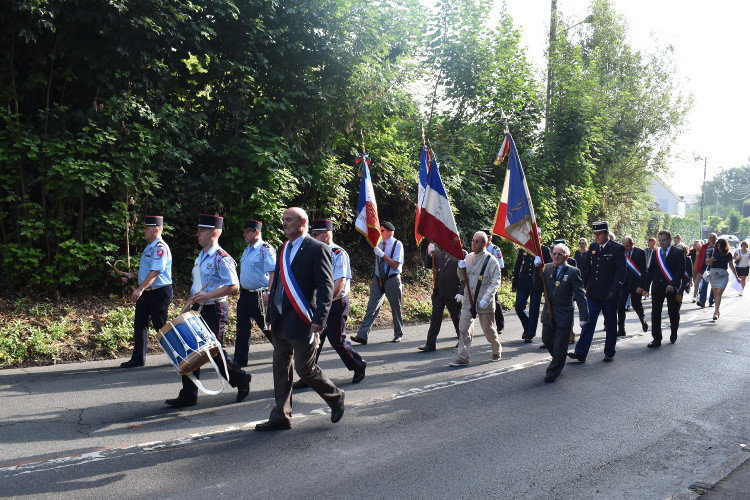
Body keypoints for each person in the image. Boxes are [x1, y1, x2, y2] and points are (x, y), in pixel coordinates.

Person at [255, 208, 345, 431]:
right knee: (280, 368)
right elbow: (278, 283)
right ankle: (281, 416)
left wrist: (320, 317)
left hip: (303, 318)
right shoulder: (283, 247)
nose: (284, 223)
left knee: (305, 369)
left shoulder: (318, 249)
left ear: (302, 222)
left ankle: (335, 397)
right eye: (283, 220)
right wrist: (270, 307)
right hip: (280, 319)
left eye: (289, 220)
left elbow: (325, 286)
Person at [165, 215, 251, 407]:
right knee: (190, 349)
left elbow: (234, 286)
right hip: (198, 307)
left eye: (201, 231)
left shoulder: (222, 257)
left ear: (213, 233)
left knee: (214, 351)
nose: (198, 234)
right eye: (198, 230)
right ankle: (188, 394)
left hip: (215, 308)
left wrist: (208, 295)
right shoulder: (202, 256)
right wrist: (187, 307)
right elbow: (197, 288)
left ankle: (241, 378)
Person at [298, 219, 366, 384]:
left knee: (337, 341)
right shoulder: (314, 251)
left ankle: (358, 365)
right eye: (312, 234)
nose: (312, 237)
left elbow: (339, 281)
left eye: (316, 234)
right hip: (318, 303)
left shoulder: (337, 253)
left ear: (326, 234)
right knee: (314, 341)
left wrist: (325, 302)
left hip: (335, 302)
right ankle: (308, 375)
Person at [568, 221, 625, 363]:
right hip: (593, 292)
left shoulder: (618, 249)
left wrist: (615, 289)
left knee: (611, 323)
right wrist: (580, 287)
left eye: (599, 234)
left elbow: (620, 271)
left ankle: (609, 352)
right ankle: (580, 352)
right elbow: (587, 269)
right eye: (595, 234)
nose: (597, 236)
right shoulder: (593, 247)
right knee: (588, 322)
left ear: (606, 233)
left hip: (609, 293)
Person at [120, 215, 173, 368]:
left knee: (161, 326)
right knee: (140, 324)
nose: (144, 231)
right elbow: (147, 270)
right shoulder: (150, 247)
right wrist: (132, 275)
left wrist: (139, 289)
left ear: (157, 230)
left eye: (147, 228)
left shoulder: (160, 248)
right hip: (148, 292)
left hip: (159, 292)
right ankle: (138, 359)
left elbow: (155, 271)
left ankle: (178, 355)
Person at [532, 243, 588, 382]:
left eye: (560, 254)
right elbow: (537, 286)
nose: (556, 256)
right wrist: (536, 269)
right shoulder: (547, 268)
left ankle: (553, 370)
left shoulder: (573, 272)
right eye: (554, 253)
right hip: (548, 313)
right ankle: (559, 357)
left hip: (564, 314)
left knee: (559, 344)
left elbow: (580, 295)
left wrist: (584, 317)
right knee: (547, 339)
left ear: (566, 256)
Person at [450, 231, 502, 366]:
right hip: (469, 300)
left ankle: (496, 350)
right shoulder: (468, 258)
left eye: (477, 241)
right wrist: (460, 269)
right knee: (463, 329)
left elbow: (495, 281)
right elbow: (463, 279)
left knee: (488, 330)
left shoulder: (492, 261)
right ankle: (463, 357)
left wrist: (487, 297)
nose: (473, 243)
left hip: (484, 301)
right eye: (473, 240)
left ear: (484, 244)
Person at [351, 221, 404, 344]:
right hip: (378, 278)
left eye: (382, 231)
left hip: (392, 278)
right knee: (372, 307)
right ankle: (362, 335)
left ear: (390, 232)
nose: (379, 233)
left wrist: (382, 254)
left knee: (395, 307)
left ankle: (398, 333)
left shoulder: (397, 245)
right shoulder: (378, 242)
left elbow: (395, 265)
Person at [235, 219, 276, 366]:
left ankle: (284, 350)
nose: (244, 234)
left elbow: (272, 273)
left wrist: (269, 294)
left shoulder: (265, 249)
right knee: (242, 328)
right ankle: (239, 360)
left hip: (260, 294)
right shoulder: (248, 249)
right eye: (244, 232)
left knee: (267, 327)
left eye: (247, 232)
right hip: (245, 294)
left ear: (256, 232)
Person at [637, 230, 686, 346]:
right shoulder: (656, 253)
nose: (662, 243)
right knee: (655, 313)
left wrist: (673, 284)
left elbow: (681, 271)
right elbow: (651, 271)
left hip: (671, 288)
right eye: (660, 240)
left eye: (664, 240)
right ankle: (657, 338)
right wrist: (645, 287)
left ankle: (674, 332)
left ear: (670, 240)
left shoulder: (678, 252)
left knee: (673, 312)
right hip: (657, 287)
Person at [418, 241, 466, 352]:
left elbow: (465, 276)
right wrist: (429, 254)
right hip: (439, 291)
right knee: (435, 317)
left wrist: (461, 292)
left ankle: (463, 340)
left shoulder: (461, 253)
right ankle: (430, 344)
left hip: (453, 292)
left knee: (457, 318)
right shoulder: (438, 252)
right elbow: (428, 265)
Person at [512, 233, 551, 343]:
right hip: (523, 282)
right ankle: (527, 327)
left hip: (537, 284)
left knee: (534, 310)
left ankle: (530, 334)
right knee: (519, 307)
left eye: (536, 237)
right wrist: (514, 284)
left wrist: (540, 266)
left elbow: (550, 268)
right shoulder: (524, 249)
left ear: (540, 238)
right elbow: (517, 266)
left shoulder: (544, 250)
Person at [617, 236, 648, 336]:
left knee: (636, 305)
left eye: (627, 246)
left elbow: (644, 270)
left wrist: (641, 286)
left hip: (636, 285)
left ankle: (643, 320)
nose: (625, 248)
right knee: (620, 306)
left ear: (632, 244)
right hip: (623, 284)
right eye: (624, 246)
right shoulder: (621, 252)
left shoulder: (640, 252)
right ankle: (621, 329)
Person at [707, 238, 738, 321]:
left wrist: (736, 277)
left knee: (719, 293)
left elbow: (731, 266)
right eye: (718, 245)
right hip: (714, 274)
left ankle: (715, 312)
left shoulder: (728, 254)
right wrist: (711, 260)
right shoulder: (713, 252)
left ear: (724, 246)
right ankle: (717, 309)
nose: (719, 247)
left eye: (720, 246)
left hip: (723, 274)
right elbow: (706, 262)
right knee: (715, 293)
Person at [482, 230, 506, 333]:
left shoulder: (495, 249)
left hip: (492, 279)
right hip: (481, 279)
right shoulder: (480, 248)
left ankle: (500, 325)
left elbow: (500, 265)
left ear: (490, 238)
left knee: (494, 300)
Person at [695, 233, 717, 308]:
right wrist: (699, 269)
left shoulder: (718, 246)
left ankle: (711, 300)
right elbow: (700, 258)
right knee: (704, 284)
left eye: (713, 238)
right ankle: (702, 301)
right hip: (706, 268)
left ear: (715, 239)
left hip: (715, 268)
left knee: (713, 285)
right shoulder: (704, 246)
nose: (711, 239)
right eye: (710, 238)